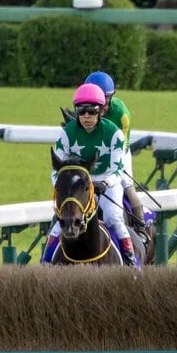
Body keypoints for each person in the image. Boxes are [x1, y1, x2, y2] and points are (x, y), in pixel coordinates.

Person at [40, 83, 140, 268]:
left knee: (113, 218)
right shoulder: (66, 133)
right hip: (78, 184)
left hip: (107, 182)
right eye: (81, 111)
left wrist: (105, 183)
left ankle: (133, 267)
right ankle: (45, 266)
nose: (86, 116)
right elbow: (57, 170)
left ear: (101, 111)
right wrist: (61, 184)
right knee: (58, 223)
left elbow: (118, 170)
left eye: (92, 111)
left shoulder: (114, 133)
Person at [84, 70, 144, 235]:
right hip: (93, 152)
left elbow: (121, 144)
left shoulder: (121, 113)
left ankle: (141, 227)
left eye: (104, 101)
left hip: (119, 151)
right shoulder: (84, 109)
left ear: (110, 98)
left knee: (126, 184)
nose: (99, 106)